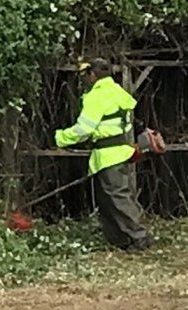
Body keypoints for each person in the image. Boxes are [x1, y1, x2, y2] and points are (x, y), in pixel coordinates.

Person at [55, 58, 153, 252]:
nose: (84, 79)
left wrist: (60, 138)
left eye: (85, 74)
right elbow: (125, 125)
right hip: (118, 150)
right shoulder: (117, 92)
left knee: (117, 198)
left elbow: (84, 129)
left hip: (108, 155)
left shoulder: (97, 96)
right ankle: (120, 240)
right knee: (108, 200)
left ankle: (139, 237)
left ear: (93, 74)